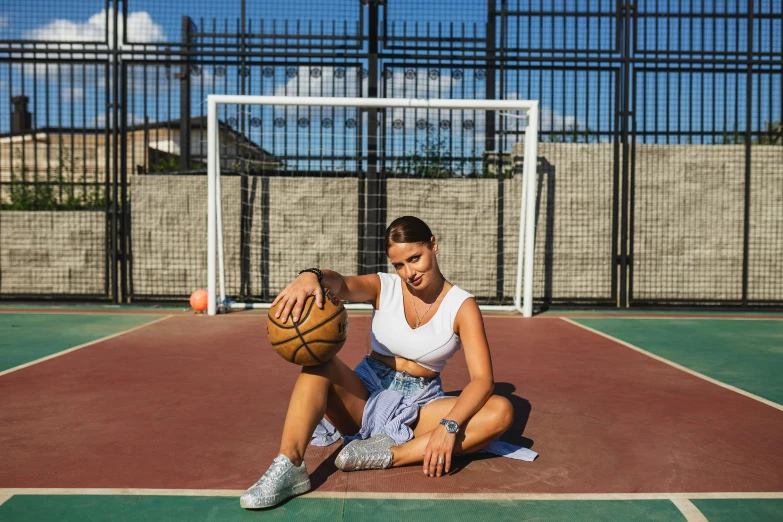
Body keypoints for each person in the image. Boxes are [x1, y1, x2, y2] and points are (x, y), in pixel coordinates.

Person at [241, 215, 516, 509]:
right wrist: (311, 276)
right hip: (367, 392)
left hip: (419, 406)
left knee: (500, 411)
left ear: (433, 245)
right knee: (319, 366)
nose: (409, 272)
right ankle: (290, 466)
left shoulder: (462, 306)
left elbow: (482, 380)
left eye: (415, 258)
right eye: (399, 265)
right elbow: (341, 284)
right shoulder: (383, 287)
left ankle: (389, 454)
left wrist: (448, 427)